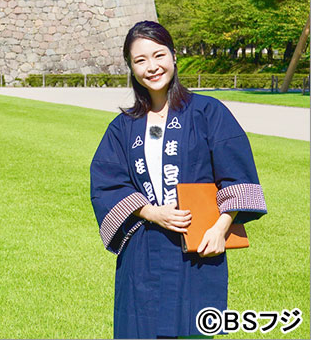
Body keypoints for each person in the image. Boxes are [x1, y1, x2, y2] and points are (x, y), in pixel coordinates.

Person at [90, 21, 267, 338]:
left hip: (199, 247)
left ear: (174, 57)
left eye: (159, 55)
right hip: (143, 250)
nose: (152, 67)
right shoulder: (123, 126)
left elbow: (237, 175)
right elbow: (107, 182)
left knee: (194, 329)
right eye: (140, 60)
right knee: (140, 329)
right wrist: (150, 211)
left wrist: (220, 229)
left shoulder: (208, 112)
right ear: (131, 67)